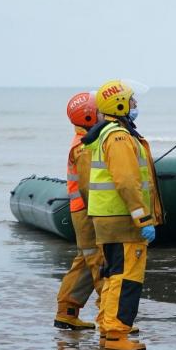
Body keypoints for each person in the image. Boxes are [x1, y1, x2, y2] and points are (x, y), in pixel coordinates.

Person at [84, 80, 162, 350]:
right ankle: (117, 334)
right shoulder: (119, 137)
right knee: (126, 277)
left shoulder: (107, 134)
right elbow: (127, 182)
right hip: (122, 220)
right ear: (119, 105)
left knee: (113, 274)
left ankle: (108, 330)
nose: (135, 105)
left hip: (109, 219)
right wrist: (143, 219)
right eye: (132, 101)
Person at [53, 92, 102, 331]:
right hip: (87, 211)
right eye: (100, 111)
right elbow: (89, 186)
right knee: (99, 260)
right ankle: (111, 316)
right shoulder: (84, 147)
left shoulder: (84, 141)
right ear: (89, 116)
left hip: (80, 209)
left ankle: (67, 311)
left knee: (84, 261)